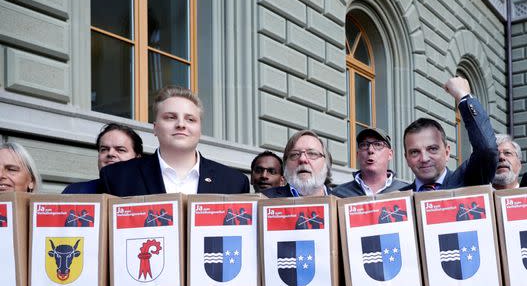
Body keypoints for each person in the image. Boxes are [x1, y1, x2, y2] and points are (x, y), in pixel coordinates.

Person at [100, 85, 249, 196]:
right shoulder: (117, 177)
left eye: (190, 119)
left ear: (200, 130)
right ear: (155, 128)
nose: (181, 124)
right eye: (170, 117)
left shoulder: (234, 183)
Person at [401, 76, 498, 191]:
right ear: (406, 158)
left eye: (432, 149)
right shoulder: (399, 200)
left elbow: (486, 149)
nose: (424, 158)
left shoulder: (469, 180)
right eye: (415, 152)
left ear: (447, 152)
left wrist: (463, 97)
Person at [63, 123, 144, 194]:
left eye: (120, 150)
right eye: (104, 149)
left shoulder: (151, 194)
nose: (110, 153)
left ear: (137, 159)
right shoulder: (76, 192)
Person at [332, 127, 408, 196]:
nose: (370, 150)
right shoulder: (338, 194)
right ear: (357, 155)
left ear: (390, 154)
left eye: (378, 144)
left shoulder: (406, 191)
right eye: (364, 145)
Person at [264, 130, 332, 197]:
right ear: (285, 165)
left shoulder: (341, 201)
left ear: (326, 163)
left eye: (312, 153)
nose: (302, 159)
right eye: (294, 154)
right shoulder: (264, 199)